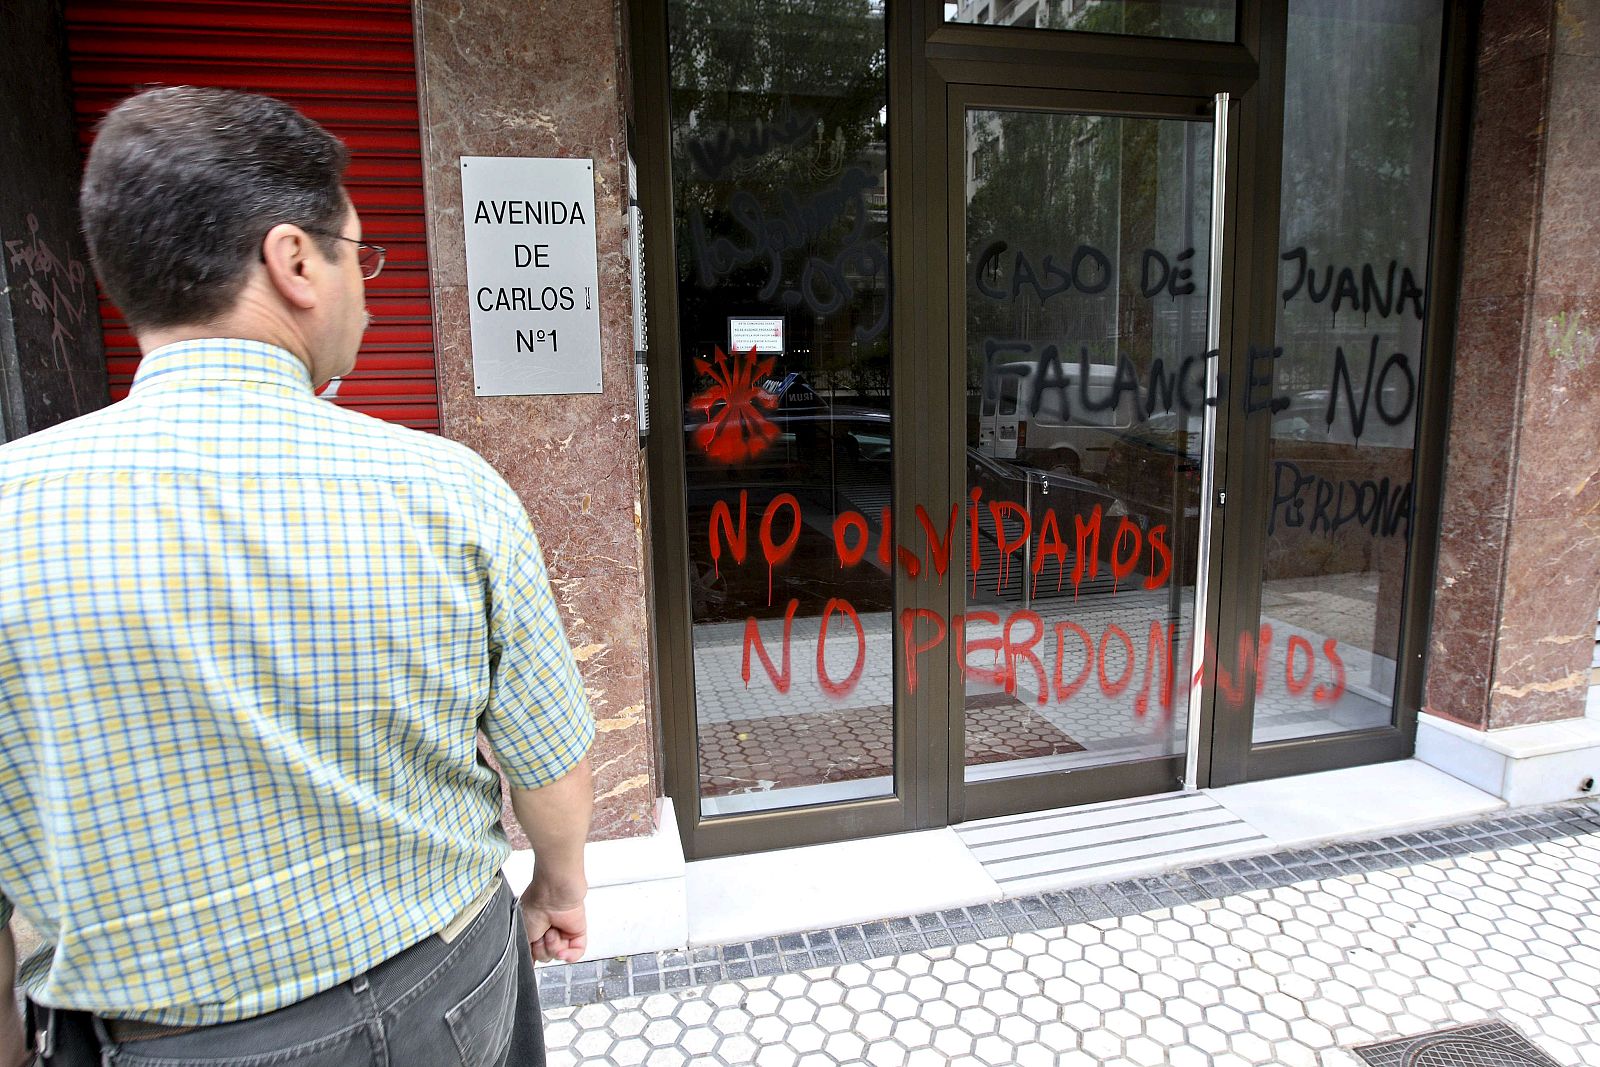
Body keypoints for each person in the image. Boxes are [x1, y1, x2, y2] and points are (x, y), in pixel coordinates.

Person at [0, 86, 595, 1067]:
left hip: (151, 1040)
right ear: (292, 261)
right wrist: (558, 888)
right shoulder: (449, 490)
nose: (371, 286)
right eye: (360, 256)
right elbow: (548, 758)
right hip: (444, 989)